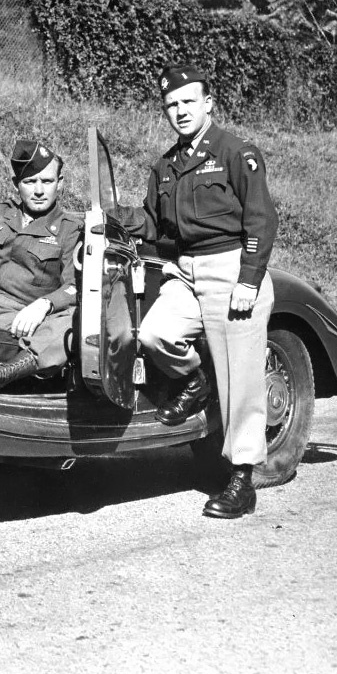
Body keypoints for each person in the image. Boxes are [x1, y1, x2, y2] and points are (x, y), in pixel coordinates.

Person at [118, 63, 278, 519]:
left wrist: (249, 279)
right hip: (186, 270)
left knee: (241, 379)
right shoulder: (166, 166)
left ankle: (241, 480)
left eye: (189, 101)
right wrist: (113, 218)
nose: (180, 111)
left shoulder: (234, 151)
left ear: (208, 103)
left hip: (231, 271)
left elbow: (260, 219)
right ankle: (195, 381)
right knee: (154, 334)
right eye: (172, 105)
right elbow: (153, 225)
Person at [0, 140, 82, 395]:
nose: (39, 190)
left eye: (47, 182)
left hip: (20, 317)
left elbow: (75, 287)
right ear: (16, 184)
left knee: (73, 324)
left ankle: (0, 375)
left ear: (60, 183)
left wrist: (44, 305)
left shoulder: (69, 229)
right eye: (29, 182)